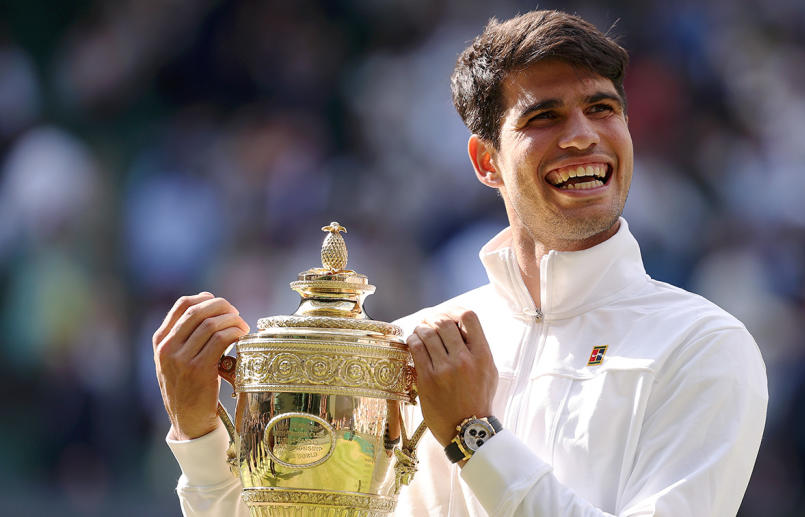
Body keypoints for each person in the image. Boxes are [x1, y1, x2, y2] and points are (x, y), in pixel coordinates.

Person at [153, 10, 768, 517]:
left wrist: (475, 437)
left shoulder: (702, 344)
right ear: (485, 161)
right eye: (544, 116)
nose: (583, 136)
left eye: (602, 109)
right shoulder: (409, 348)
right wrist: (200, 433)